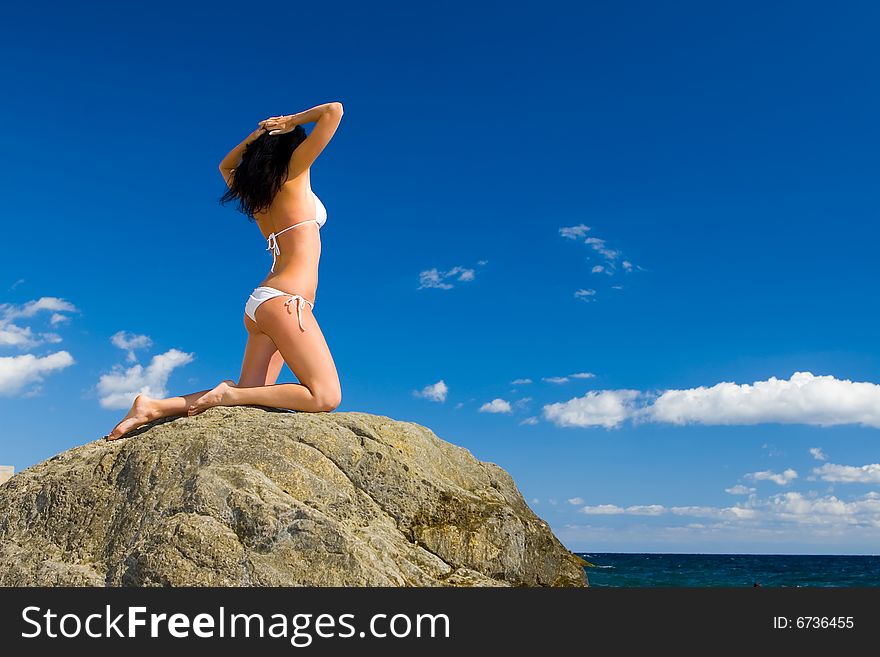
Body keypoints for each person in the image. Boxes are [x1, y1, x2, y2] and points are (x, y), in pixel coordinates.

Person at [105, 103, 345, 441]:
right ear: (290, 146)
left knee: (253, 396)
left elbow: (226, 165)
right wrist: (291, 121)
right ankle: (227, 394)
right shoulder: (293, 174)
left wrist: (259, 133)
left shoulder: (260, 195)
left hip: (264, 304)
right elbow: (334, 111)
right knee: (325, 396)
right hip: (286, 303)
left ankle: (154, 406)